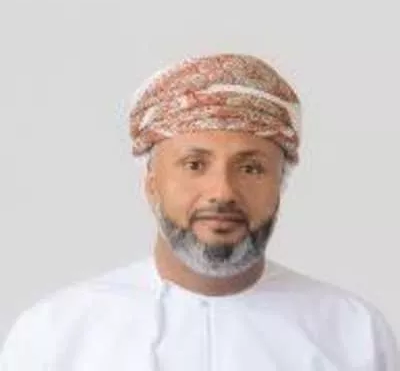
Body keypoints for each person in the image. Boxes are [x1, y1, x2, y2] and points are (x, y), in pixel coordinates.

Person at [0, 53, 398, 370]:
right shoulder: (57, 336)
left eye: (250, 168)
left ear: (281, 182)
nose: (222, 192)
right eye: (194, 164)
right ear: (151, 182)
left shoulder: (352, 335)